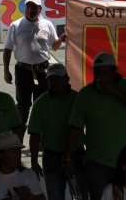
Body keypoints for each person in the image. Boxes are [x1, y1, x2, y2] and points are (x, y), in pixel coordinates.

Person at [66, 52, 126, 200]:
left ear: (114, 71)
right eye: (97, 73)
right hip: (97, 162)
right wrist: (67, 156)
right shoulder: (86, 94)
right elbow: (75, 126)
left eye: (105, 72)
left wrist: (116, 91)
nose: (101, 77)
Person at [3, 0, 65, 124]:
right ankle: (19, 137)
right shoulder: (15, 25)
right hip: (23, 70)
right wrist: (6, 70)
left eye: (34, 7)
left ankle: (40, 138)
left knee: (41, 105)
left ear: (40, 9)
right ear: (25, 7)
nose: (30, 9)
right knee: (22, 106)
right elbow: (8, 49)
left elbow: (54, 47)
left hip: (42, 71)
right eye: (28, 6)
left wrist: (60, 40)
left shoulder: (47, 24)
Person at [28, 63, 85, 200]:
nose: (53, 82)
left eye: (57, 78)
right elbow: (34, 134)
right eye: (50, 79)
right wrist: (34, 161)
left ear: (67, 79)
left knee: (82, 195)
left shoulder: (78, 99)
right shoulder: (40, 103)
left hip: (77, 156)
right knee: (55, 196)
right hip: (51, 158)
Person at [0, 132, 45, 200]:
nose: (17, 155)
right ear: (0, 155)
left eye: (19, 151)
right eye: (13, 151)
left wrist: (29, 196)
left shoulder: (28, 174)